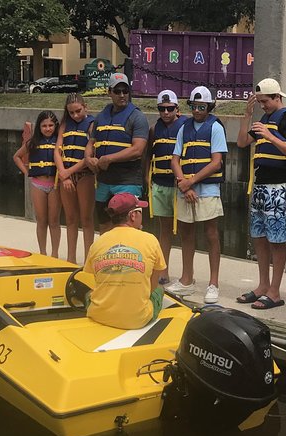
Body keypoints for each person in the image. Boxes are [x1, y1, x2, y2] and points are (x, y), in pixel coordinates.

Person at [236, 78, 286, 310]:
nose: (263, 106)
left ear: (277, 97)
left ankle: (274, 291)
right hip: (260, 185)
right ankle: (262, 285)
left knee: (277, 240)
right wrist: (247, 115)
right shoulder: (264, 119)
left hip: (279, 187)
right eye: (260, 102)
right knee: (259, 236)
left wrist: (270, 136)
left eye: (265, 101)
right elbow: (242, 142)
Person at [167, 86, 226, 304]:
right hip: (186, 187)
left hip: (207, 189)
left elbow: (216, 161)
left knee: (211, 234)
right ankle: (186, 279)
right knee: (186, 233)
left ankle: (213, 283)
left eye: (202, 106)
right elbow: (175, 159)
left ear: (209, 107)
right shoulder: (184, 128)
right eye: (194, 106)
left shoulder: (215, 128)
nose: (198, 110)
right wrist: (184, 183)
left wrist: (191, 181)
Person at [83, 193, 166, 330]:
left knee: (88, 294)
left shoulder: (98, 243)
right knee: (159, 289)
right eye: (140, 212)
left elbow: (95, 281)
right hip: (137, 320)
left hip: (99, 315)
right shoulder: (150, 240)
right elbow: (152, 286)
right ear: (132, 216)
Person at [85, 72, 149, 235]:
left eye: (125, 91)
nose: (122, 95)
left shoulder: (137, 117)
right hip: (104, 180)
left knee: (128, 227)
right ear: (109, 92)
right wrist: (88, 158)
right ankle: (107, 258)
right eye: (117, 91)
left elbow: (138, 149)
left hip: (127, 181)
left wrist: (109, 159)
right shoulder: (101, 117)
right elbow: (91, 142)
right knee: (104, 225)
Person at [146, 90, 187, 285]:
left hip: (180, 186)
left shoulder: (185, 126)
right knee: (164, 230)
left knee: (187, 230)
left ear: (177, 109)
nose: (166, 112)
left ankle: (187, 274)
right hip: (160, 184)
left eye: (170, 108)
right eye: (162, 109)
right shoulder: (154, 129)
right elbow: (147, 156)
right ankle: (163, 271)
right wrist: (146, 181)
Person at [13, 110, 62, 257]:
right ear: (39, 127)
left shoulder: (60, 142)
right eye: (44, 125)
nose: (48, 128)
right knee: (41, 220)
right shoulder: (32, 143)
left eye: (51, 125)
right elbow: (16, 157)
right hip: (37, 185)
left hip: (55, 185)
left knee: (54, 221)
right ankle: (43, 253)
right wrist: (27, 172)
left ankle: (55, 254)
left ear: (56, 126)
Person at [54, 93, 95, 264]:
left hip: (84, 175)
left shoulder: (92, 124)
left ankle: (88, 260)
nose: (75, 115)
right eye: (71, 112)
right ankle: (70, 259)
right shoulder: (64, 124)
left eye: (78, 111)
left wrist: (68, 172)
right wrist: (63, 173)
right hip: (66, 177)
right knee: (70, 219)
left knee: (86, 219)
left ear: (85, 107)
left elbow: (89, 155)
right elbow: (57, 150)